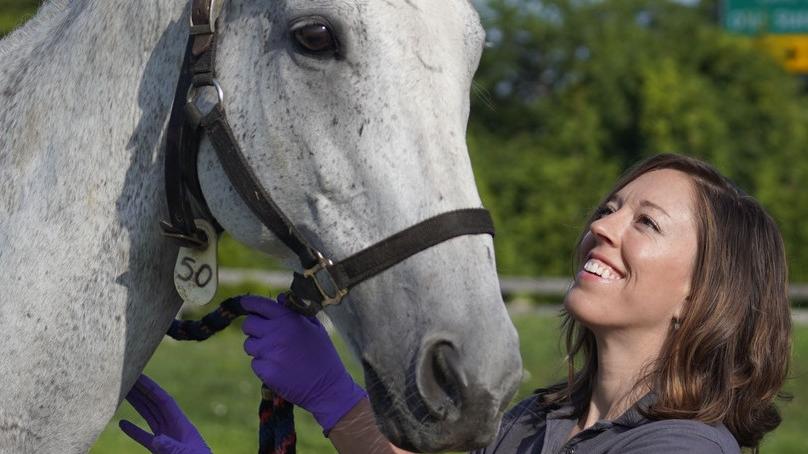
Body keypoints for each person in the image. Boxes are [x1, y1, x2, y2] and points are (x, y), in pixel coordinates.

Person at [120, 154, 791, 453]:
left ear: (702, 295)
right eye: (611, 208)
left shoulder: (680, 449)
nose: (604, 228)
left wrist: (334, 397)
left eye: (645, 223)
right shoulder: (538, 420)